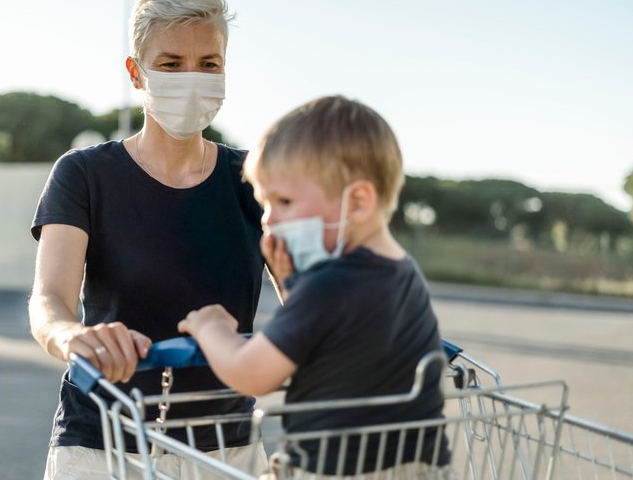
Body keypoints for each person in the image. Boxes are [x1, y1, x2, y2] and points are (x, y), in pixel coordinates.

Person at [28, 0, 268, 479]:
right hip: (103, 444)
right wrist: (73, 336)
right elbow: (49, 300)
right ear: (137, 74)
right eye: (171, 64)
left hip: (226, 449)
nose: (192, 78)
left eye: (209, 64)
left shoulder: (255, 180)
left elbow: (311, 298)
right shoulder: (85, 174)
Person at [178, 95, 452, 479]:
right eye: (264, 203)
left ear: (356, 202)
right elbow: (331, 343)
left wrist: (211, 328)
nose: (269, 220)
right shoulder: (402, 274)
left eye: (284, 201)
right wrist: (294, 284)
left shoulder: (329, 286)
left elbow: (252, 372)